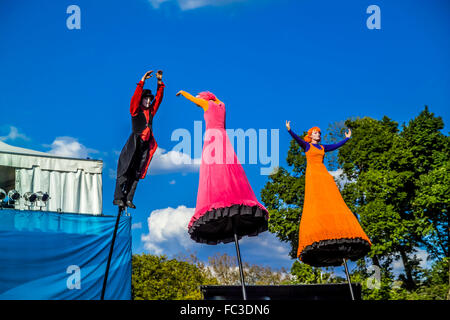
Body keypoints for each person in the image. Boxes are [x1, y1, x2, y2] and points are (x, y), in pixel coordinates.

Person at [176, 90, 269, 244]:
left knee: (213, 170)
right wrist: (213, 96)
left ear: (205, 98)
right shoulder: (222, 106)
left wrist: (183, 93)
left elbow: (193, 99)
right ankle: (232, 192)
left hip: (212, 137)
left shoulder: (207, 104)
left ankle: (220, 195)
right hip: (223, 137)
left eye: (201, 97)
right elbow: (219, 99)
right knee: (229, 167)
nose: (200, 100)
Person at [286, 121, 371, 266]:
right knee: (316, 198)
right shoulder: (308, 146)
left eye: (319, 133)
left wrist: (347, 139)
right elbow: (298, 140)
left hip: (323, 174)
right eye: (315, 132)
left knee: (332, 196)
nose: (318, 134)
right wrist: (289, 130)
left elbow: (335, 146)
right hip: (313, 174)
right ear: (310, 135)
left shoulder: (322, 147)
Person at [113, 70, 165, 209]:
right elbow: (135, 98)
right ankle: (119, 198)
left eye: (149, 99)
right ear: (142, 99)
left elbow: (159, 99)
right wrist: (142, 81)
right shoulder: (136, 110)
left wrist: (159, 82)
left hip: (144, 146)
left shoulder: (151, 111)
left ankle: (129, 198)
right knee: (125, 169)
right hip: (134, 144)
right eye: (145, 99)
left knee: (137, 172)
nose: (148, 101)